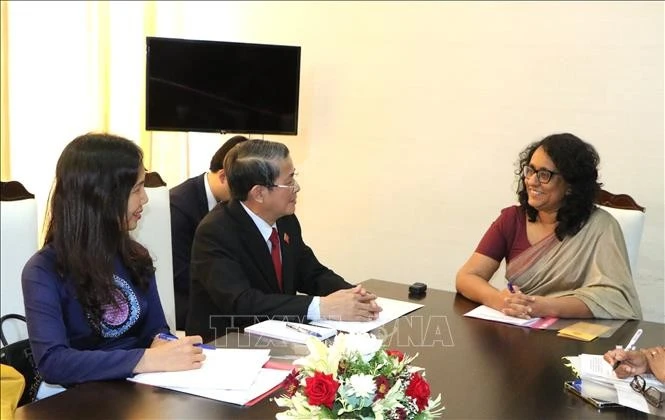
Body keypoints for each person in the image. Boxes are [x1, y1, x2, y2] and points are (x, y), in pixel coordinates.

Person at [21, 133, 206, 387]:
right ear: (102, 198)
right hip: (79, 400)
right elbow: (54, 363)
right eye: (137, 189)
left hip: (140, 390)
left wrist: (166, 345)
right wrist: (146, 359)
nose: (145, 199)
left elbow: (157, 329)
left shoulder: (135, 256)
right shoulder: (43, 270)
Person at [186, 139, 381, 341]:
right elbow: (242, 303)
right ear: (259, 193)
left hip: (279, 336)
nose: (297, 187)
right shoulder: (216, 232)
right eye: (288, 182)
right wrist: (322, 307)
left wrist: (355, 295)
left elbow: (310, 272)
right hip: (227, 344)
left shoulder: (286, 219)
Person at [456, 133, 641, 320]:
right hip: (519, 330)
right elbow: (466, 277)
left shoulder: (601, 227)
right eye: (530, 171)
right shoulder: (512, 219)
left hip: (576, 335)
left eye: (544, 175)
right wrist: (499, 300)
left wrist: (543, 306)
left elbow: (613, 298)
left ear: (570, 185)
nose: (532, 181)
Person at [170, 135, 249, 330]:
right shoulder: (178, 206)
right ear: (223, 176)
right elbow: (180, 275)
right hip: (190, 302)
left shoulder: (235, 207)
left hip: (224, 292)